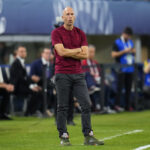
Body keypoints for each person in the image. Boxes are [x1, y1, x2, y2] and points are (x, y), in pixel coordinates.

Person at [51, 7, 104, 146]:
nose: (69, 16)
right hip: (62, 73)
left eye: (72, 14)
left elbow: (85, 54)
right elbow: (61, 52)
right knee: (63, 106)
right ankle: (63, 136)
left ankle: (88, 136)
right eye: (67, 14)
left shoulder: (81, 33)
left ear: (75, 17)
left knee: (86, 104)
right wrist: (77, 50)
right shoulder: (56, 33)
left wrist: (70, 52)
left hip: (78, 74)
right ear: (63, 17)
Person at [111, 27, 136, 111]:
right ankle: (117, 105)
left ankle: (127, 106)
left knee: (129, 88)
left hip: (130, 68)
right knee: (119, 88)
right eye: (128, 36)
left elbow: (133, 51)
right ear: (124, 33)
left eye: (130, 36)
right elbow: (113, 55)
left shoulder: (130, 42)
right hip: (121, 68)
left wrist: (133, 51)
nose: (129, 38)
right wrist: (124, 51)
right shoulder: (117, 42)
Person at [25, 48, 54, 117]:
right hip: (36, 85)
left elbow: (51, 77)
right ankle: (34, 111)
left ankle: (48, 109)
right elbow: (31, 76)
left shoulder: (51, 65)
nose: (48, 55)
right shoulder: (35, 63)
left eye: (49, 53)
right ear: (42, 54)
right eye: (46, 53)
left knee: (54, 90)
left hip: (47, 84)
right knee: (40, 92)